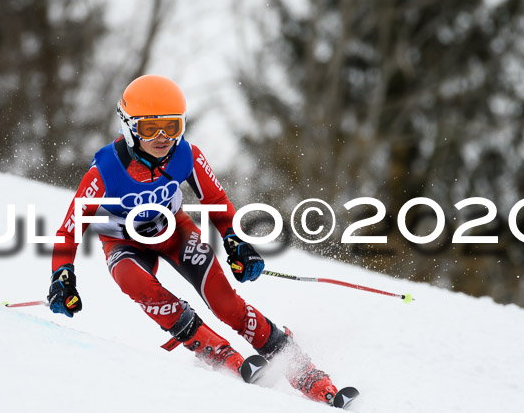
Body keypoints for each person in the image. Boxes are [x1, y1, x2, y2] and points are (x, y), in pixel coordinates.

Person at [47, 74, 338, 404]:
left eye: (171, 127)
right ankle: (212, 348)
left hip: (175, 231)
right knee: (134, 280)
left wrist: (236, 242)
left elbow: (217, 203)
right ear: (129, 127)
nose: (162, 138)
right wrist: (62, 275)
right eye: (149, 128)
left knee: (225, 303)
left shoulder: (187, 155)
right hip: (123, 244)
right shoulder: (105, 171)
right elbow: (69, 229)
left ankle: (297, 363)